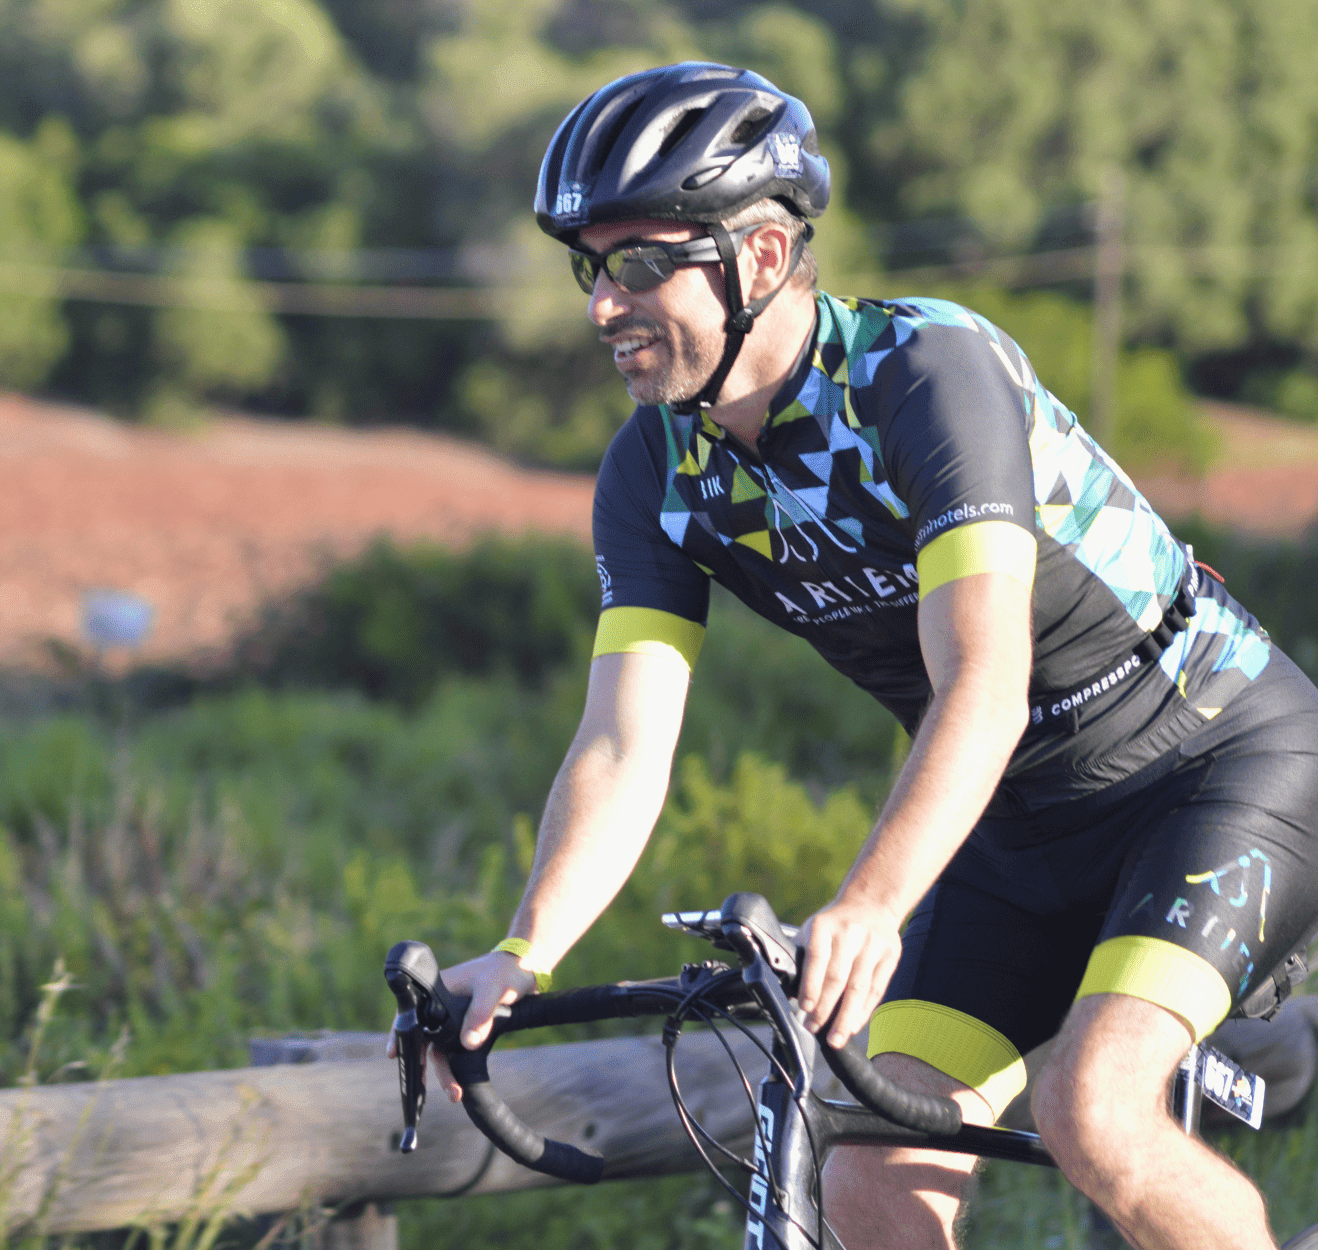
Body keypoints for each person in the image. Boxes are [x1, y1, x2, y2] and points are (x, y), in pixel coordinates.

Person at [415, 62, 1318, 1249]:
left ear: (762, 257)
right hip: (1013, 823)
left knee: (1094, 1110)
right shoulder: (656, 471)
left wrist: (872, 903)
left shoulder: (923, 373)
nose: (602, 305)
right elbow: (624, 742)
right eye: (592, 267)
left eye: (638, 263)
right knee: (869, 1174)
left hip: (1212, 762)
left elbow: (984, 681)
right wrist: (524, 950)